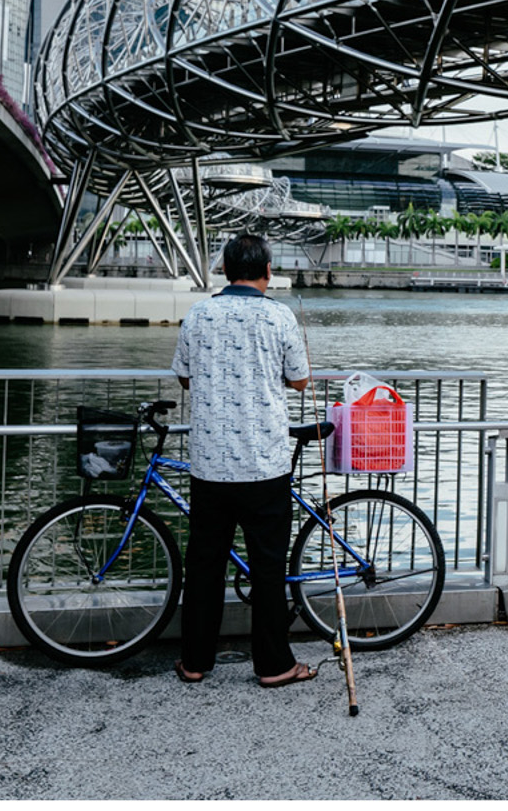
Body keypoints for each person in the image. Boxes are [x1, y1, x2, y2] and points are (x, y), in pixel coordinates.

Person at [171, 233, 317, 688]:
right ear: (267, 271)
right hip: (264, 464)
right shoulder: (279, 317)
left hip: (210, 464)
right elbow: (300, 381)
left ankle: (195, 661)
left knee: (205, 566)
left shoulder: (199, 313)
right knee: (268, 566)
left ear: (226, 270)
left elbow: (184, 377)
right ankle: (274, 665)